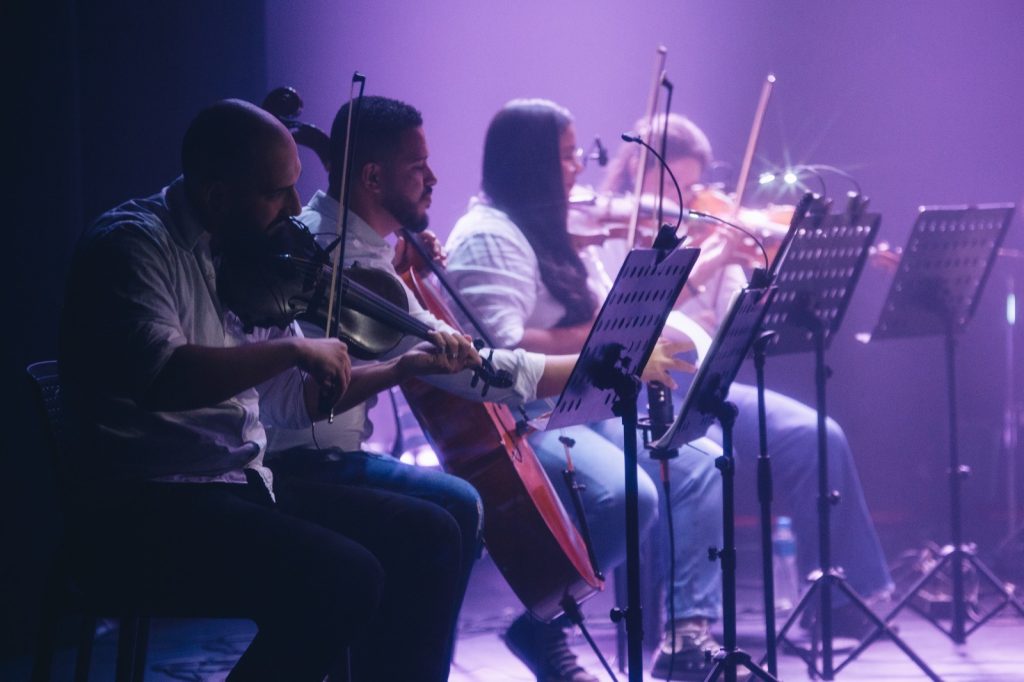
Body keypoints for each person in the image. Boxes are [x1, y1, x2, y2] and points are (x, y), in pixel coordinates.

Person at [270, 94, 693, 682]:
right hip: (302, 460)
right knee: (453, 510)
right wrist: (608, 359)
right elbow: (481, 373)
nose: (434, 179)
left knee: (455, 509)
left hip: (333, 451)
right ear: (371, 176)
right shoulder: (342, 259)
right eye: (418, 167)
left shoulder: (368, 252)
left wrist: (405, 266)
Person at [58, 99, 478, 681]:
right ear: (217, 196)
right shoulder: (130, 247)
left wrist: (400, 369)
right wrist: (290, 348)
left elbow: (291, 401)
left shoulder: (248, 257)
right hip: (148, 507)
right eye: (276, 194)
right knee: (346, 577)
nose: (292, 211)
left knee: (431, 530)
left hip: (238, 485)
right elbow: (163, 377)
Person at [445, 99, 727, 681]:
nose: (580, 168)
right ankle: (544, 620)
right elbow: (502, 347)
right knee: (629, 497)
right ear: (531, 163)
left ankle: (686, 642)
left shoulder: (555, 227)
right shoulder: (488, 236)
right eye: (569, 156)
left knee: (700, 460)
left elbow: (606, 308)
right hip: (525, 416)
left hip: (590, 402)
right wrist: (601, 334)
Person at [599, 113, 896, 645]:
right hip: (646, 391)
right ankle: (690, 625)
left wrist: (750, 264)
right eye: (674, 185)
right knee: (702, 455)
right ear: (636, 173)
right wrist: (709, 263)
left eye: (692, 186)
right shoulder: (607, 229)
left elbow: (733, 321)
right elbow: (634, 324)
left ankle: (842, 600)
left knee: (816, 436)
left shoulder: (709, 228)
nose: (685, 199)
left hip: (708, 381)